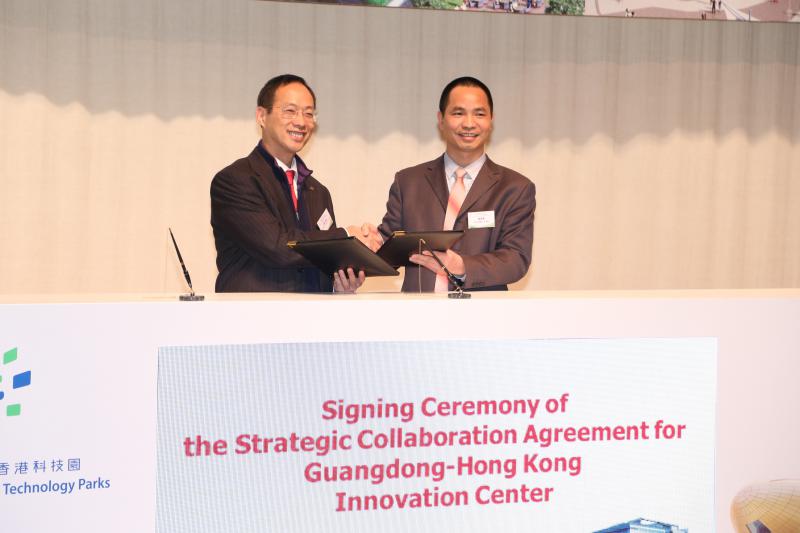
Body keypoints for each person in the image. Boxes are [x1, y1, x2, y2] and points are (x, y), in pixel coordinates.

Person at [211, 74, 381, 293]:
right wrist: (347, 236)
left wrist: (341, 281)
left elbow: (320, 258)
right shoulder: (235, 180)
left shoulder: (318, 191)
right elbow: (278, 248)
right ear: (262, 116)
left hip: (310, 321)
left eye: (309, 113)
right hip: (253, 319)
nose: (301, 122)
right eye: (290, 111)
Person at [378, 76, 536, 293]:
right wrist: (366, 245)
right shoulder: (408, 182)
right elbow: (389, 248)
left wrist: (461, 266)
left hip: (484, 318)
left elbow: (516, 259)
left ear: (491, 120)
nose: (469, 123)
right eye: (458, 113)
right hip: (417, 316)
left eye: (479, 114)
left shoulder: (515, 188)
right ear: (441, 119)